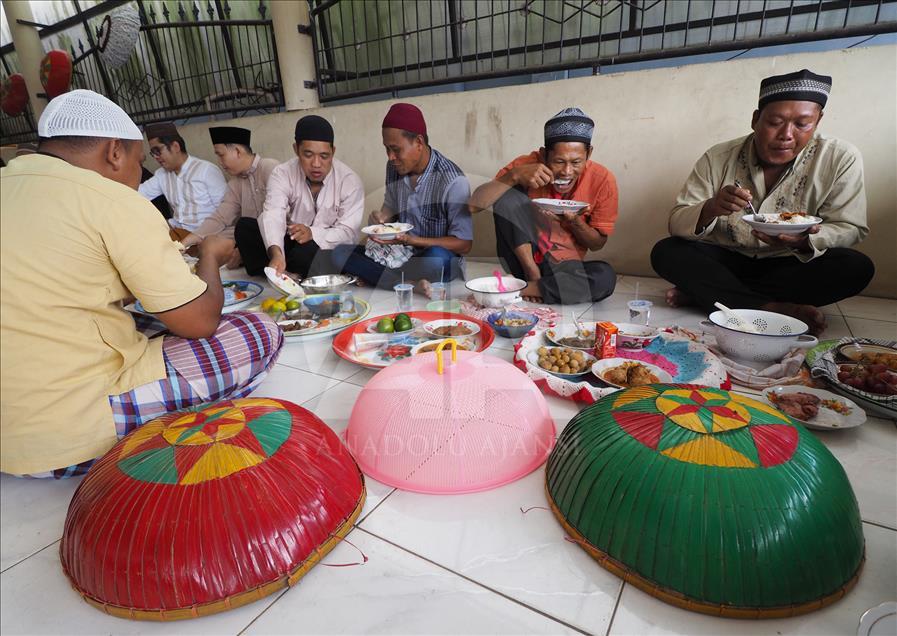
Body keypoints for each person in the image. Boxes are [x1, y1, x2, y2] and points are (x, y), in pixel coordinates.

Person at [0, 90, 282, 478]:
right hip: (67, 434)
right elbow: (199, 322)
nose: (141, 172)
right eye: (138, 160)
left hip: (5, 434)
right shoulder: (109, 199)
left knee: (143, 322)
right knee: (260, 329)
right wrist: (211, 259)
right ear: (115, 152)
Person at [650, 69, 874, 335]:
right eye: (775, 122)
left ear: (818, 121)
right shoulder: (718, 157)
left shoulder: (840, 158)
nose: (786, 135)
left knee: (856, 267)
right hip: (727, 258)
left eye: (802, 124)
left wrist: (805, 241)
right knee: (666, 252)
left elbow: (851, 226)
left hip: (789, 264)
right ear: (756, 119)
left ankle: (715, 296)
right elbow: (677, 221)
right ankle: (770, 308)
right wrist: (711, 208)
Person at [468, 107, 618, 304]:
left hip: (563, 265)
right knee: (507, 195)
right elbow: (473, 206)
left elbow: (597, 244)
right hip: (521, 258)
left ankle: (520, 289)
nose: (566, 171)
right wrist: (513, 177)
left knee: (605, 276)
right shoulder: (526, 165)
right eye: (558, 161)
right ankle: (534, 278)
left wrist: (575, 222)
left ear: (589, 153)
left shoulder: (603, 180)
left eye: (576, 162)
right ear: (544, 154)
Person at [333, 103, 473, 296]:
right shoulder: (394, 167)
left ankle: (382, 277)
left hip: (430, 258)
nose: (391, 157)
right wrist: (380, 220)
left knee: (437, 258)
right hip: (397, 254)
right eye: (387, 149)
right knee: (340, 253)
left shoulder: (452, 180)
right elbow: (390, 207)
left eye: (396, 149)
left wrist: (413, 240)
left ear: (419, 142)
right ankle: (407, 283)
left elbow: (464, 244)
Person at [236, 115, 364, 279]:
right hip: (291, 239)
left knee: (308, 255)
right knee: (245, 228)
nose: (316, 164)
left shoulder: (349, 181)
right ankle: (281, 268)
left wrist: (312, 233)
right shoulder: (282, 173)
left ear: (333, 152)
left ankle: (289, 271)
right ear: (296, 149)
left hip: (324, 247)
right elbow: (273, 213)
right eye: (308, 155)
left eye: (324, 156)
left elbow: (348, 232)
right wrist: (276, 252)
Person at [179, 126, 279, 269]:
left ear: (237, 151)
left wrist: (245, 248)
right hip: (247, 236)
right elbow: (220, 217)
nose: (219, 161)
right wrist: (184, 243)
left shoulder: (270, 168)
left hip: (277, 237)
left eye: (221, 155)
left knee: (244, 228)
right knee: (209, 243)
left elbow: (283, 215)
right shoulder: (235, 183)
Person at [138, 121, 228, 241]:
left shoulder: (206, 170)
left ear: (175, 146)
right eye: (152, 153)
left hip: (205, 235)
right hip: (177, 232)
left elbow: (225, 212)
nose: (156, 157)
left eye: (157, 151)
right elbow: (138, 194)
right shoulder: (162, 175)